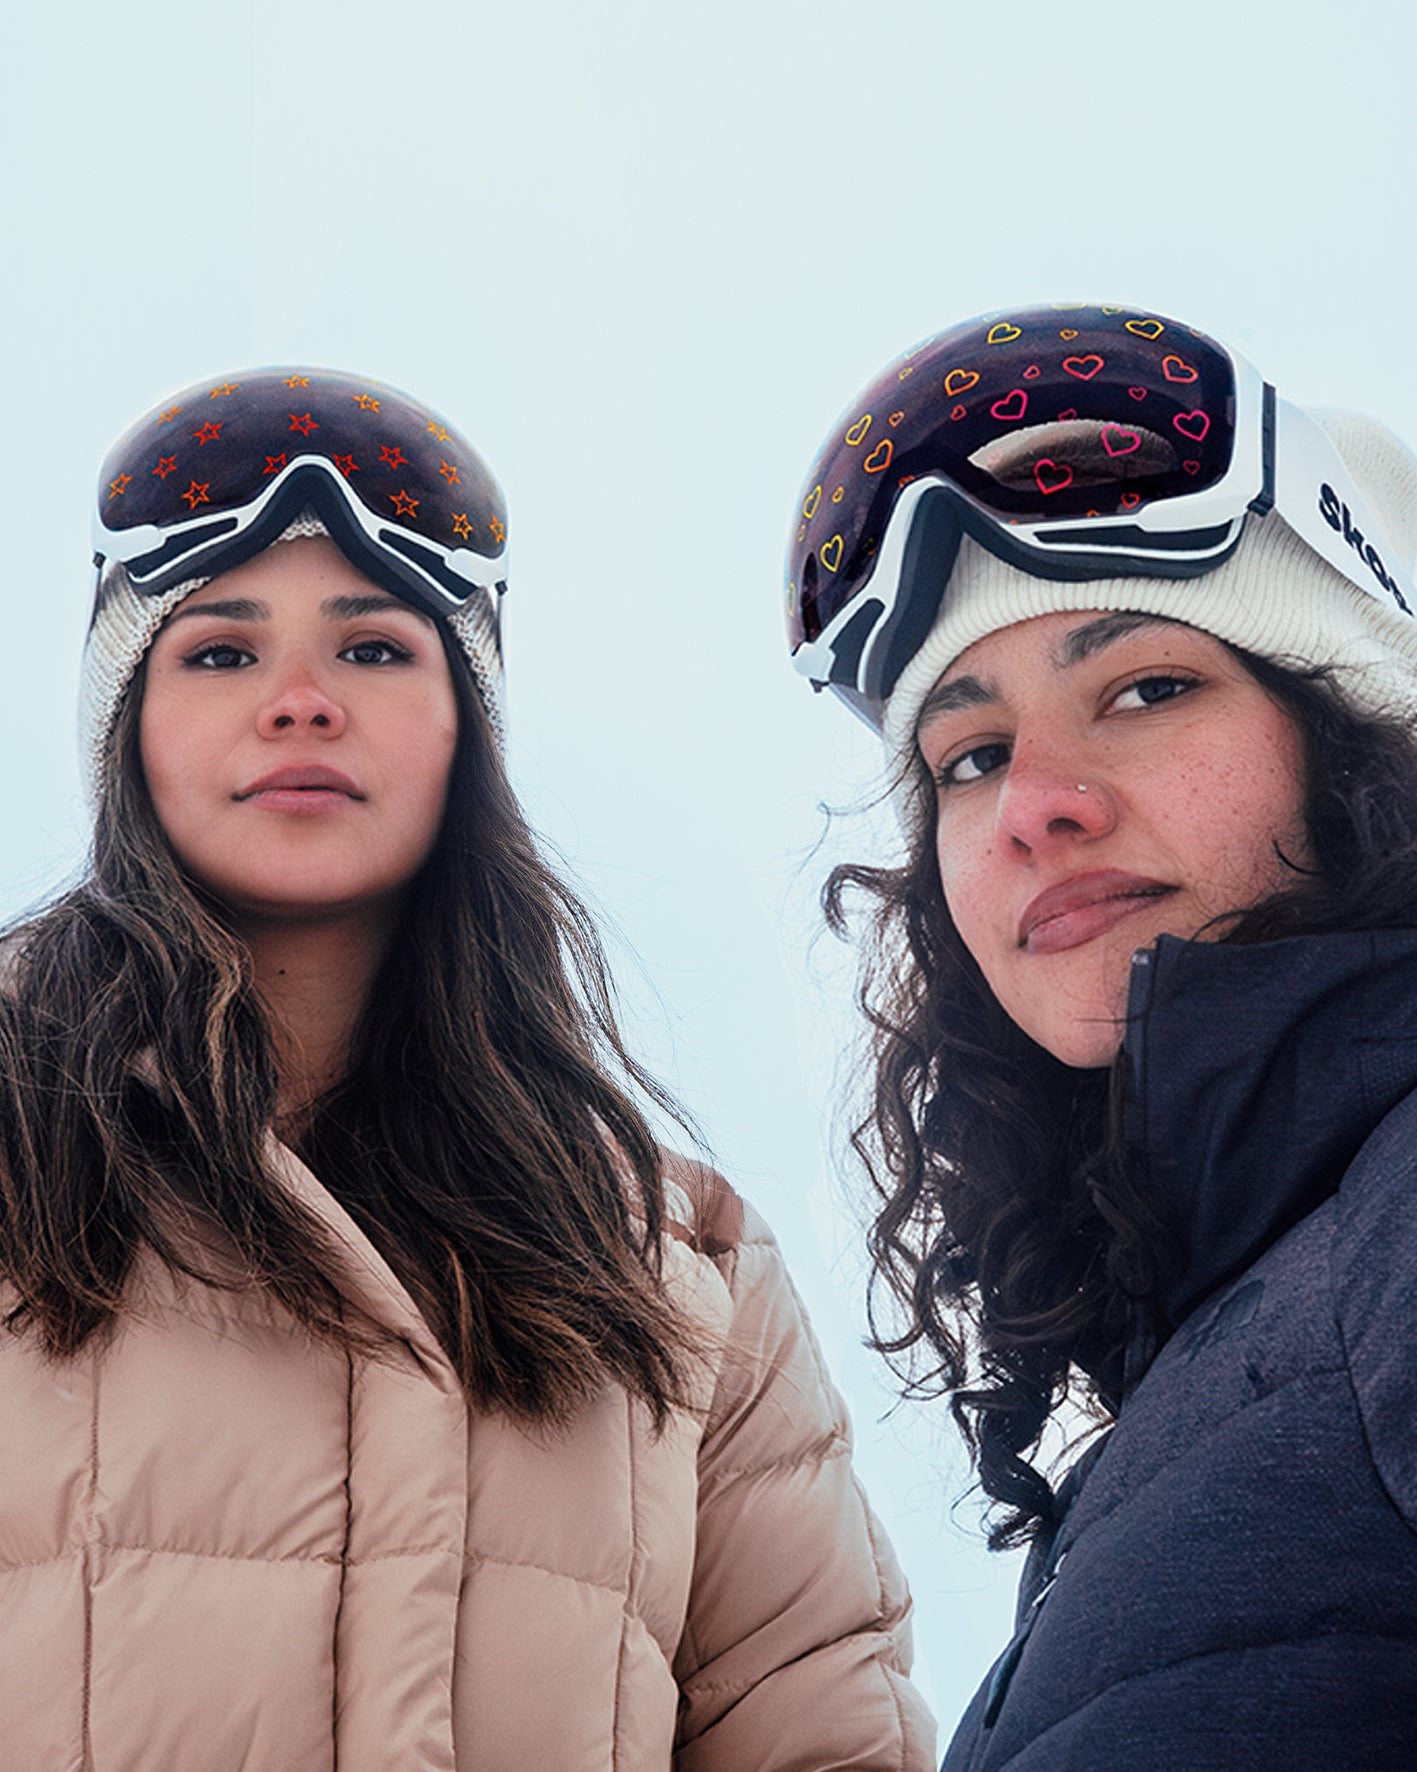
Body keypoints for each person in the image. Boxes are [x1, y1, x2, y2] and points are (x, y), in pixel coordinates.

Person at [0, 367, 935, 1769]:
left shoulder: (681, 1273)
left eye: (374, 650)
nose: (301, 700)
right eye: (219, 652)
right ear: (126, 724)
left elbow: (820, 1737)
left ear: (467, 732)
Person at [783, 304, 1417, 1767]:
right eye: (970, 755)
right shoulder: (1217, 1352)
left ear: (1355, 741)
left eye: (1143, 689)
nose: (1031, 805)